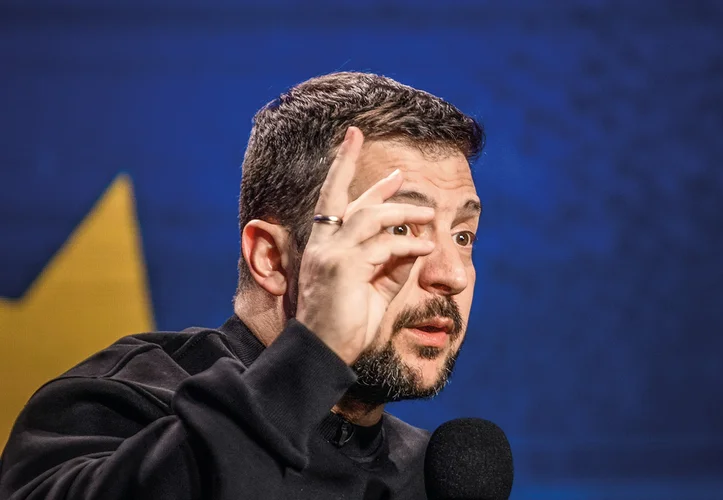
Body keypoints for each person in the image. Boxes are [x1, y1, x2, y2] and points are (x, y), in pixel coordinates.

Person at [0, 72, 484, 500]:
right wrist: (315, 352)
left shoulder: (432, 476)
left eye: (463, 237)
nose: (452, 274)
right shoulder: (117, 406)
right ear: (271, 258)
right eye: (400, 228)